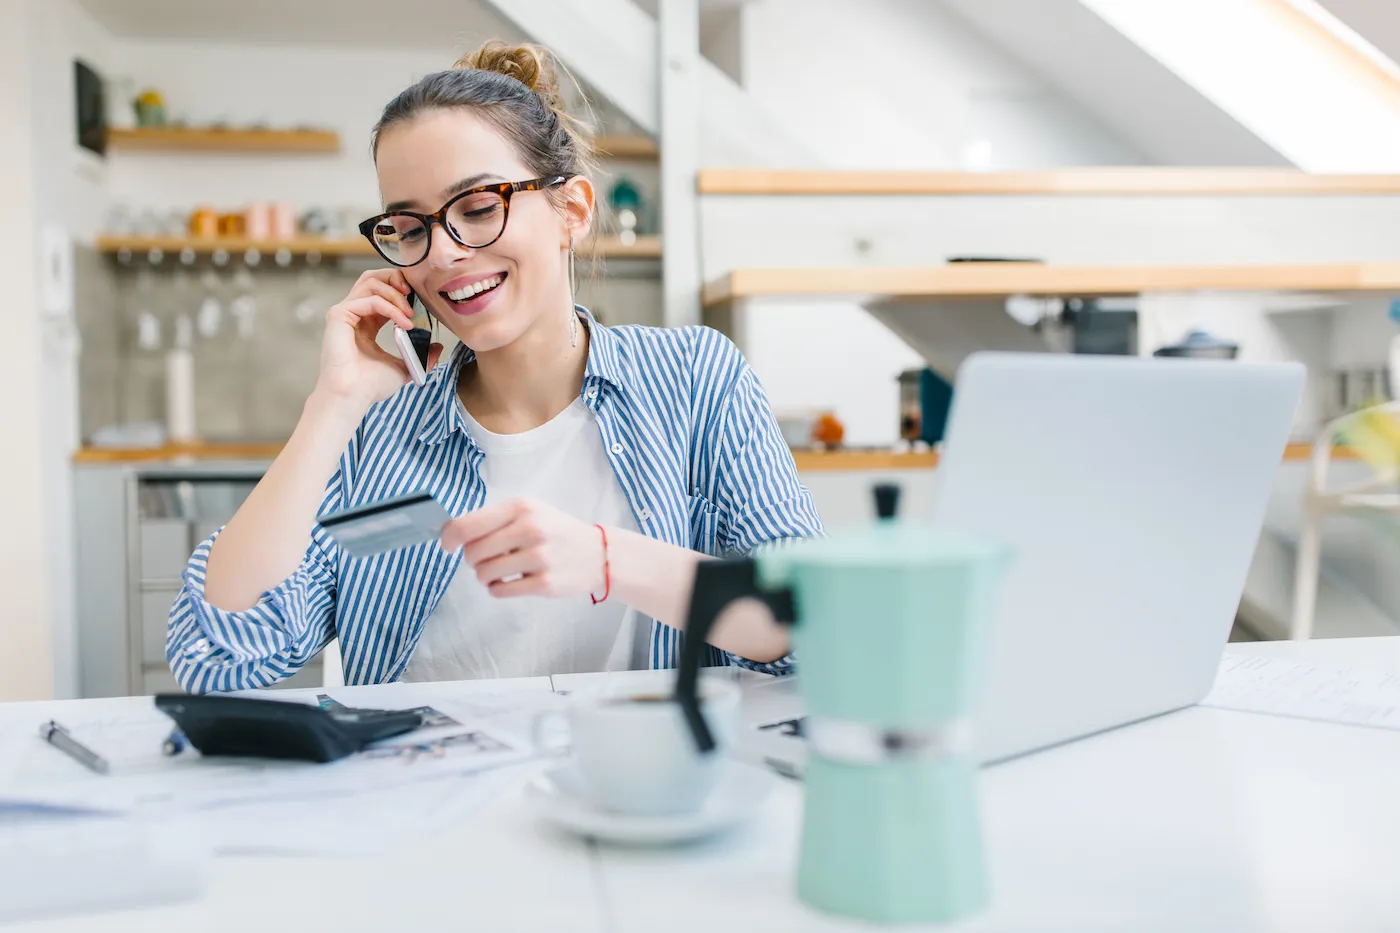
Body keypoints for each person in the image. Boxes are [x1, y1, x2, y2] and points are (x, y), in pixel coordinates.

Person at [166, 40, 823, 693]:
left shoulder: (692, 379)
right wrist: (331, 405)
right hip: (424, 787)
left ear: (573, 210)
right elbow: (219, 655)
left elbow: (813, 623)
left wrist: (604, 557)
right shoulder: (378, 429)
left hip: (635, 788)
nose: (444, 254)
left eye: (478, 208)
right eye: (411, 227)